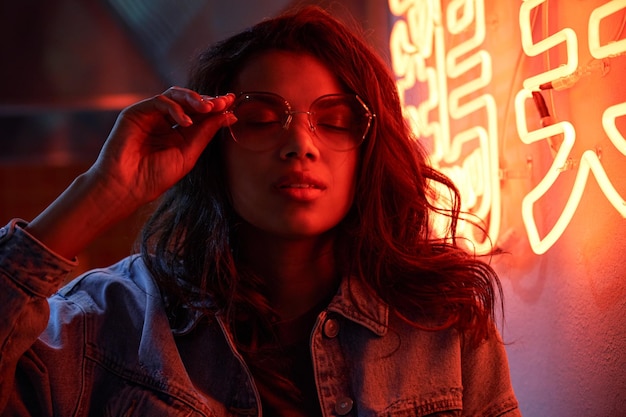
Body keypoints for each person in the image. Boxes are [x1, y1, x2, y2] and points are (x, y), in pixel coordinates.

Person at [0, 5, 521, 417]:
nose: (299, 145)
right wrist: (101, 190)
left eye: (335, 120)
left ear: (370, 150)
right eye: (261, 118)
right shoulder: (111, 322)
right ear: (213, 148)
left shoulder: (442, 325)